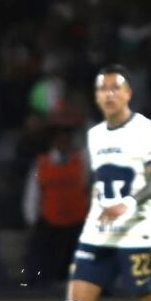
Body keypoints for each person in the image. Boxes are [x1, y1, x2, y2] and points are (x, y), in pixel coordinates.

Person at [39, 65, 151, 301]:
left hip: (137, 235)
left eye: (115, 88)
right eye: (102, 89)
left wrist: (127, 204)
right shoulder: (94, 135)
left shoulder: (147, 130)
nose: (108, 94)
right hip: (98, 235)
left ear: (128, 93)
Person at [22, 122, 90, 285]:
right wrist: (32, 218)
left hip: (77, 221)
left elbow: (89, 187)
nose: (63, 143)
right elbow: (33, 193)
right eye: (59, 140)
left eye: (67, 139)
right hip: (50, 221)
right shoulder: (41, 163)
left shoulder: (82, 162)